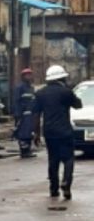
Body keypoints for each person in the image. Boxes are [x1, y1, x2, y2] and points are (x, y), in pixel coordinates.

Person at [33, 64, 82, 200]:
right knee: (68, 159)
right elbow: (78, 105)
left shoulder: (40, 93)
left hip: (49, 132)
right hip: (65, 131)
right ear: (62, 78)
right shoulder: (65, 92)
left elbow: (36, 116)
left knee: (53, 160)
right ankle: (66, 182)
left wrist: (36, 134)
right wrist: (70, 92)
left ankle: (53, 189)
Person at [12, 68, 38, 159]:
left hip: (30, 114)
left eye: (30, 75)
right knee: (23, 133)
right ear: (23, 76)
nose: (29, 76)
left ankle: (28, 150)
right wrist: (17, 115)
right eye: (27, 75)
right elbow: (16, 101)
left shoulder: (31, 88)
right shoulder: (19, 87)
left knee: (29, 133)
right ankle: (24, 151)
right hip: (22, 115)